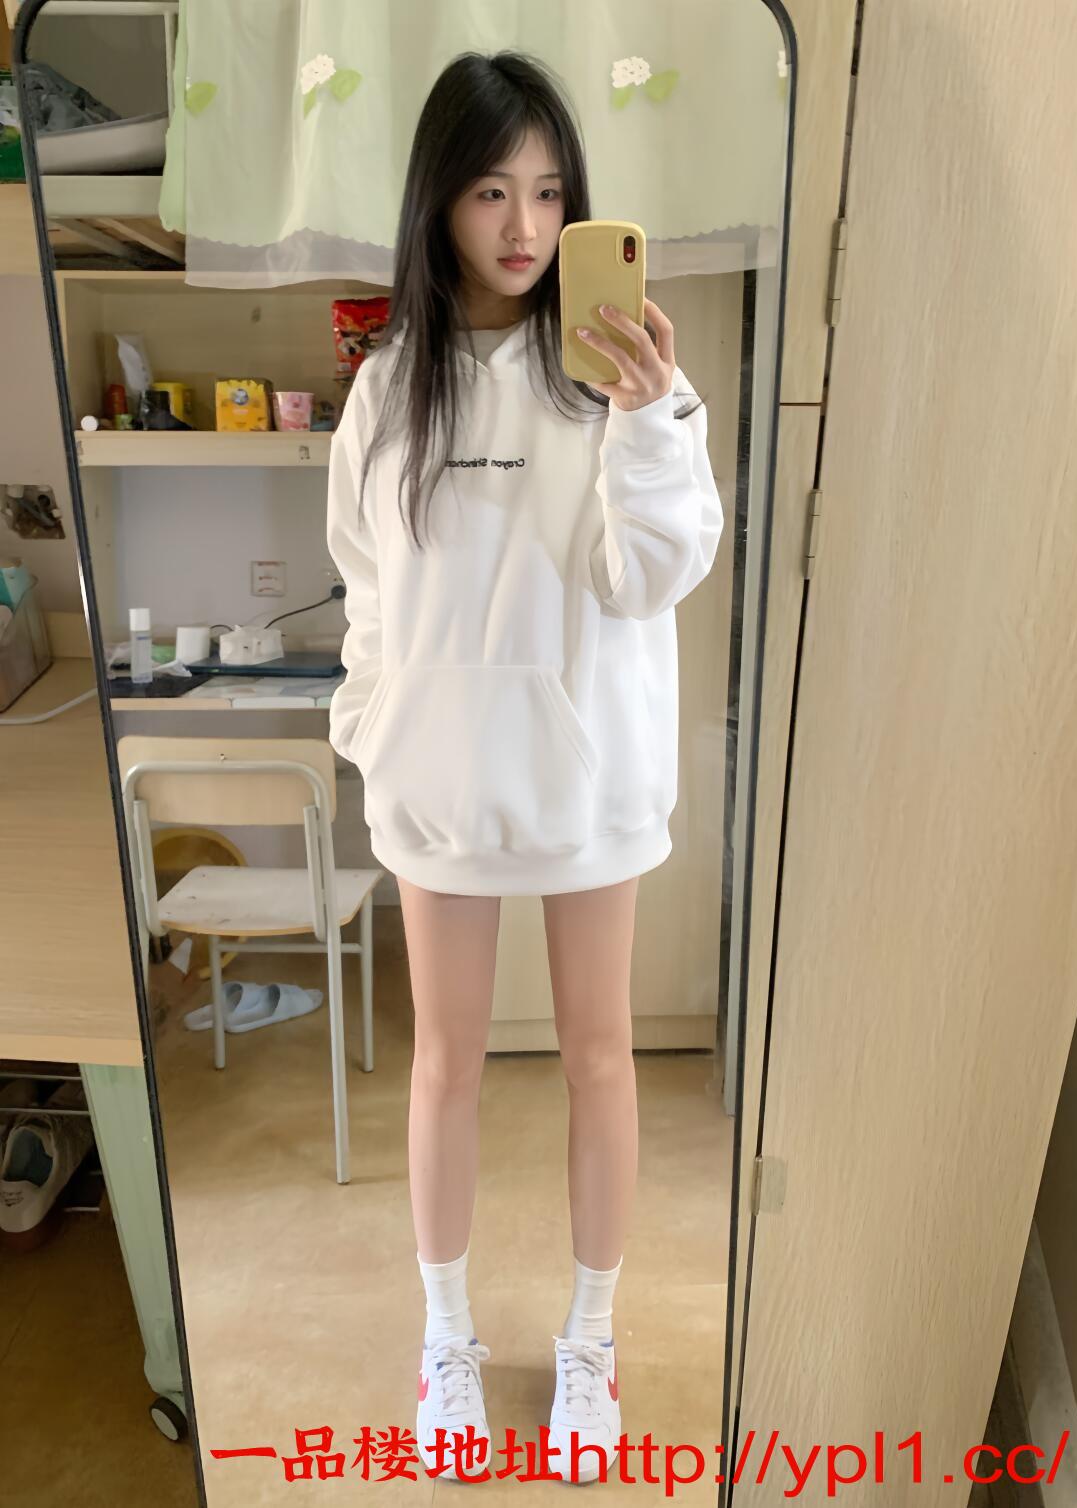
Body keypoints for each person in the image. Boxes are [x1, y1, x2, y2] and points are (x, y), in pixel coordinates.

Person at [326, 49, 724, 1486]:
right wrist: (373, 725)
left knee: (600, 1058)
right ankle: (444, 1335)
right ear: (439, 200)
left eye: (551, 194)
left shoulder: (615, 380)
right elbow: (368, 589)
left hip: (586, 782)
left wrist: (649, 422)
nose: (525, 225)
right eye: (493, 190)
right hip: (439, 785)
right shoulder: (387, 388)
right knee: (443, 1066)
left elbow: (649, 576)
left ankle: (590, 1343)